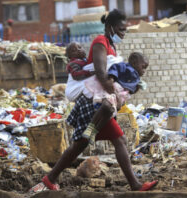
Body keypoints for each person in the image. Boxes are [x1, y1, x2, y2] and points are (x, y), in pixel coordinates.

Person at [30, 9, 157, 192]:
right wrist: (115, 91)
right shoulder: (100, 42)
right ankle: (135, 185)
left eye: (124, 30)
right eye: (121, 29)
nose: (123, 33)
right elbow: (101, 72)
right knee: (105, 141)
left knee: (86, 144)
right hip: (94, 103)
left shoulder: (111, 45)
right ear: (109, 27)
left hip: (100, 104)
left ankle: (50, 178)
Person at [83, 52, 149, 144]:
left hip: (121, 96)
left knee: (109, 114)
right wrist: (111, 79)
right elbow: (115, 70)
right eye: (143, 67)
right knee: (106, 105)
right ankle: (90, 127)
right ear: (134, 63)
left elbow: (131, 90)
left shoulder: (137, 79)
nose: (144, 71)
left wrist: (137, 88)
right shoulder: (125, 67)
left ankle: (95, 131)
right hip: (115, 89)